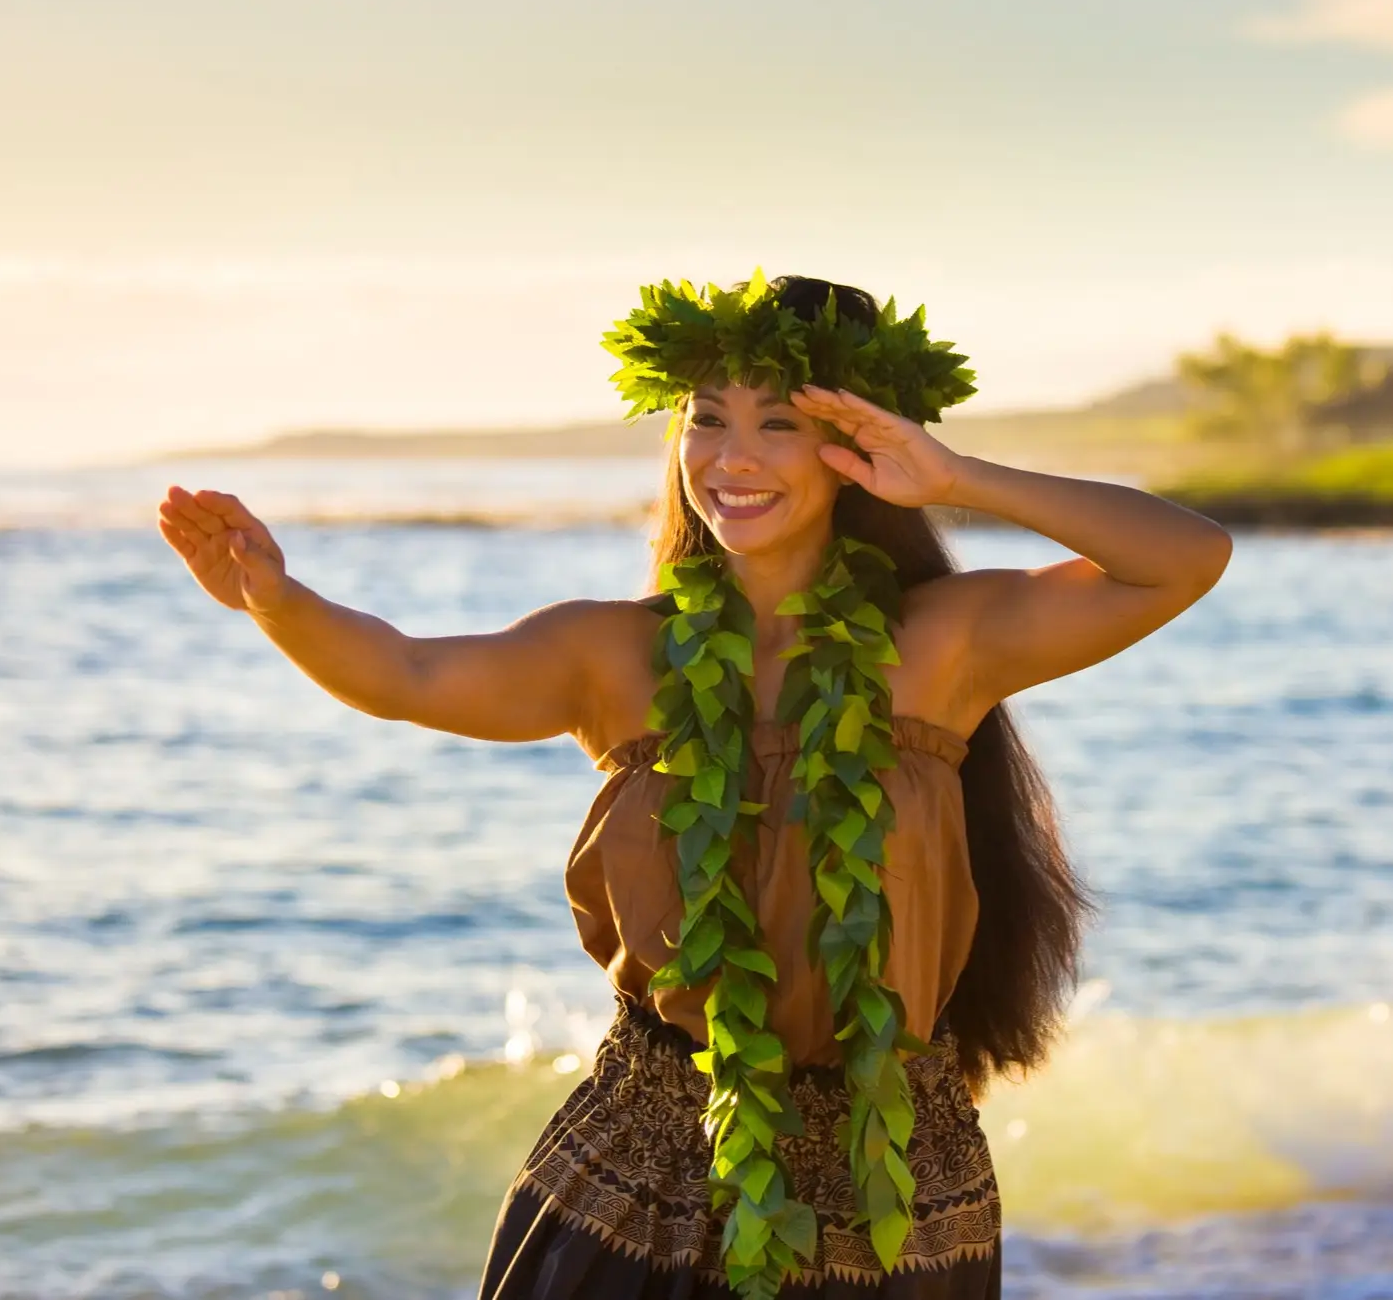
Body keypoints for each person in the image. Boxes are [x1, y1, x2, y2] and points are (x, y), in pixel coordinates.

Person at [157, 274, 1231, 1300]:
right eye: (705, 419)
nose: (731, 456)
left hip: (890, 1176)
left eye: (778, 424)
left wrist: (955, 477)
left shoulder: (942, 643)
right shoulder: (612, 654)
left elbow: (1183, 557)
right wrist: (274, 597)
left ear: (856, 446)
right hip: (642, 1160)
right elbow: (406, 673)